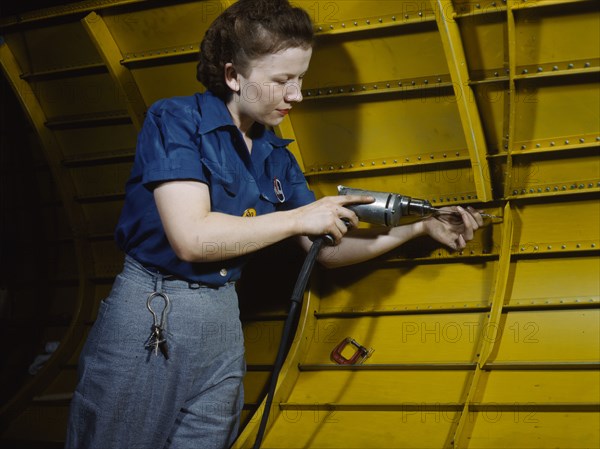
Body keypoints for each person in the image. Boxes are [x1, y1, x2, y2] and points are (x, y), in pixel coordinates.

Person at [65, 0, 483, 448]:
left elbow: (326, 250)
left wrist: (417, 230)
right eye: (282, 80)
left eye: (300, 78)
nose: (296, 95)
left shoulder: (276, 155)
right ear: (233, 76)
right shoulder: (175, 121)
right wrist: (299, 216)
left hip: (224, 319)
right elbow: (192, 239)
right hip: (156, 308)